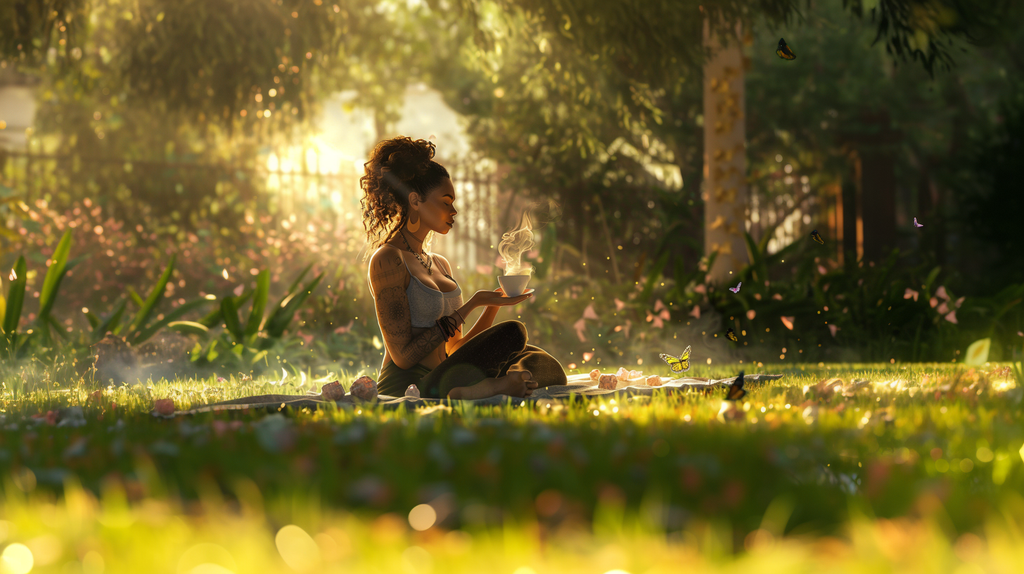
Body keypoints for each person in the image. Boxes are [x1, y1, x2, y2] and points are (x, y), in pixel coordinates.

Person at [360, 136, 568, 399]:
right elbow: (403, 357)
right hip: (410, 386)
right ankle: (487, 387)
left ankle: (474, 388)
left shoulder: (440, 264)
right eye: (446, 202)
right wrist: (471, 304)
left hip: (447, 374)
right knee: (513, 332)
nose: (454, 211)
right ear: (414, 200)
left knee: (540, 361)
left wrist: (491, 306)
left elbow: (455, 348)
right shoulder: (388, 259)